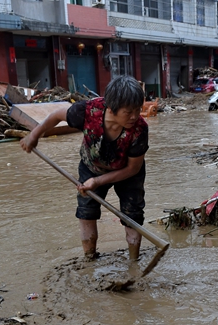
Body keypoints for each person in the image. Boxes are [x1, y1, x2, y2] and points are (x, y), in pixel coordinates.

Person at [20, 75, 149, 262]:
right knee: (86, 212)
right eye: (128, 112)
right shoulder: (88, 112)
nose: (135, 116)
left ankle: (134, 264)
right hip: (92, 166)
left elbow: (132, 169)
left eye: (138, 110)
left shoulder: (139, 129)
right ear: (111, 108)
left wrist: (97, 182)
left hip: (127, 174)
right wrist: (34, 135)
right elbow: (56, 115)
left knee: (132, 215)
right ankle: (89, 260)